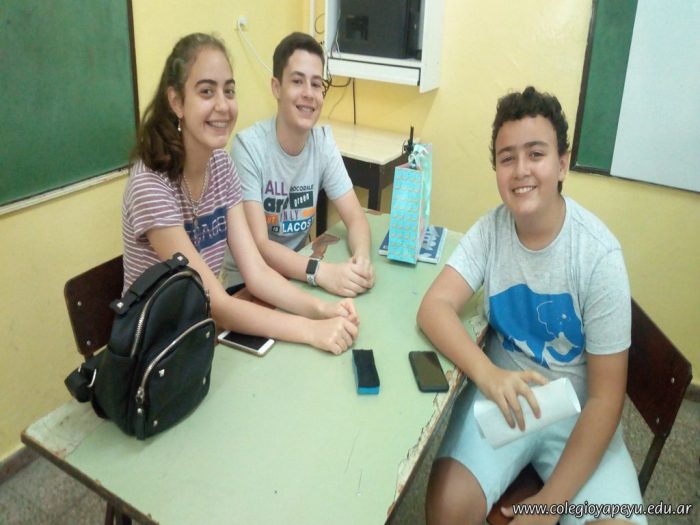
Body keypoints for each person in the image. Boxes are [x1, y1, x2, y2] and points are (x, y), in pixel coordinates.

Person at [417, 86, 645, 524]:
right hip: (506, 397)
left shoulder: (599, 256)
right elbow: (434, 307)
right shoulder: (491, 230)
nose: (521, 170)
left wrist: (548, 505)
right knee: (448, 507)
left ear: (562, 164)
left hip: (579, 416)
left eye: (536, 154)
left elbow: (605, 399)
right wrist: (488, 374)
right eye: (507, 158)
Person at [122, 33, 359, 355]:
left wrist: (322, 310)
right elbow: (217, 303)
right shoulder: (150, 184)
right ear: (177, 102)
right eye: (206, 91)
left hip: (198, 335)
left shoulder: (221, 166)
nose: (222, 106)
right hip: (154, 353)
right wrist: (311, 330)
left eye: (229, 91)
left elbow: (257, 272)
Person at [221, 32, 374, 298]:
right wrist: (321, 272)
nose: (308, 94)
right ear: (276, 88)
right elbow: (260, 246)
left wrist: (361, 260)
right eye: (297, 81)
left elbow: (355, 217)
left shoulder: (322, 142)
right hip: (248, 281)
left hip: (299, 271)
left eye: (316, 84)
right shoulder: (248, 148)